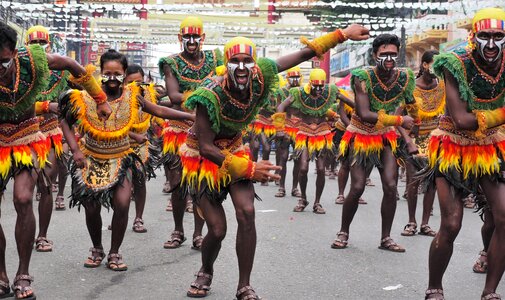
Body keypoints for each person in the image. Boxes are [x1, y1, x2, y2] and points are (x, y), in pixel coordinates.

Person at [181, 24, 369, 299]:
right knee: (218, 230)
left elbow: (304, 54)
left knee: (247, 213)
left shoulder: (262, 74)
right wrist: (251, 168)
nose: (242, 67)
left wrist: (341, 35)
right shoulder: (209, 94)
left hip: (235, 148)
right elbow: (208, 147)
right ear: (226, 64)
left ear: (255, 63)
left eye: (248, 61)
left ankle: (244, 285)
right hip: (203, 157)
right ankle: (206, 269)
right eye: (235, 61)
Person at [0, 21, 111, 300]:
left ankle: (23, 273)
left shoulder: (34, 60)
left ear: (14, 53)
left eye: (2, 62)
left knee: (24, 199)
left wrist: (99, 98)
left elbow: (73, 65)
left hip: (27, 137)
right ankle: (0, 275)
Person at [59, 49, 194, 273]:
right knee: (91, 207)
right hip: (91, 157)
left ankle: (114, 252)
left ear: (124, 72)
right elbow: (64, 119)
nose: (112, 78)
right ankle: (97, 248)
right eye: (108, 73)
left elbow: (158, 109)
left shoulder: (133, 95)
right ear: (101, 73)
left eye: (117, 73)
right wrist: (75, 150)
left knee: (122, 203)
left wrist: (189, 116)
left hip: (122, 157)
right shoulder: (84, 96)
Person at [423, 8, 505, 300]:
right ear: (473, 36)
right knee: (452, 222)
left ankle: (490, 292)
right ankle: (435, 286)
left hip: (489, 145)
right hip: (452, 145)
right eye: (485, 36)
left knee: (504, 216)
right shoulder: (454, 64)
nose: (492, 44)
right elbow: (462, 120)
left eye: (498, 37)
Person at [331, 33, 417, 252]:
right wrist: (399, 119)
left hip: (385, 136)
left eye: (393, 54)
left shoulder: (405, 77)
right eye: (384, 54)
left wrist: (415, 124)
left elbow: (410, 104)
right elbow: (364, 113)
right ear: (374, 55)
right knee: (358, 186)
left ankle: (386, 238)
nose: (389, 58)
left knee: (390, 186)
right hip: (360, 134)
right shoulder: (362, 77)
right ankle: (343, 231)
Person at [158, 16, 222, 250]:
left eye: (196, 37)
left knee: (199, 183)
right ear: (180, 38)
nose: (192, 41)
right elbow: (174, 96)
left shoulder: (217, 59)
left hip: (205, 129)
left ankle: (198, 233)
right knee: (177, 183)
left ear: (203, 38)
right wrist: (206, 93)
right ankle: (178, 230)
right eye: (187, 37)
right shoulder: (171, 63)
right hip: (178, 129)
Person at [277, 68, 354, 214]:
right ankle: (303, 198)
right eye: (316, 86)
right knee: (303, 168)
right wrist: (280, 127)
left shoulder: (330, 91)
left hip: (323, 133)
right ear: (310, 83)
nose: (319, 89)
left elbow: (349, 102)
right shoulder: (298, 93)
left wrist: (358, 111)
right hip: (304, 132)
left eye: (321, 86)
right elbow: (281, 106)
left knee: (320, 169)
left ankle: (317, 203)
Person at [25, 25, 70, 253]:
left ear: (49, 46)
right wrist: (45, 106)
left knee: (46, 182)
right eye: (34, 44)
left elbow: (76, 96)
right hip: (22, 136)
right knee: (23, 194)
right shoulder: (19, 71)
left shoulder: (61, 72)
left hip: (52, 134)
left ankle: (42, 236)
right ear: (26, 46)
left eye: (43, 44)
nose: (39, 48)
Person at [401, 50, 443, 238]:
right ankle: (411, 221)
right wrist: (408, 140)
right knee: (413, 182)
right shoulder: (411, 88)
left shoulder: (443, 86)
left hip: (435, 140)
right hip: (414, 140)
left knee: (432, 183)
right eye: (433, 64)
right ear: (424, 65)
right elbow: (398, 117)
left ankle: (425, 223)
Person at [124, 64, 158, 233]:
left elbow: (161, 109)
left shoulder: (149, 94)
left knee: (139, 180)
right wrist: (133, 135)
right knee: (120, 185)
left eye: (138, 82)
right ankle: (120, 216)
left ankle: (138, 218)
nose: (135, 86)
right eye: (130, 82)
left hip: (141, 144)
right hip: (120, 145)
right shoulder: (118, 96)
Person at [274, 66, 303, 198]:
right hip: (285, 127)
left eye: (297, 77)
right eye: (292, 77)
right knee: (283, 158)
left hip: (299, 129)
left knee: (297, 160)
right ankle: (281, 187)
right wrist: (280, 130)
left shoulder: (304, 91)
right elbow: (278, 110)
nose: (295, 80)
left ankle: (295, 188)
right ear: (287, 78)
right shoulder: (281, 92)